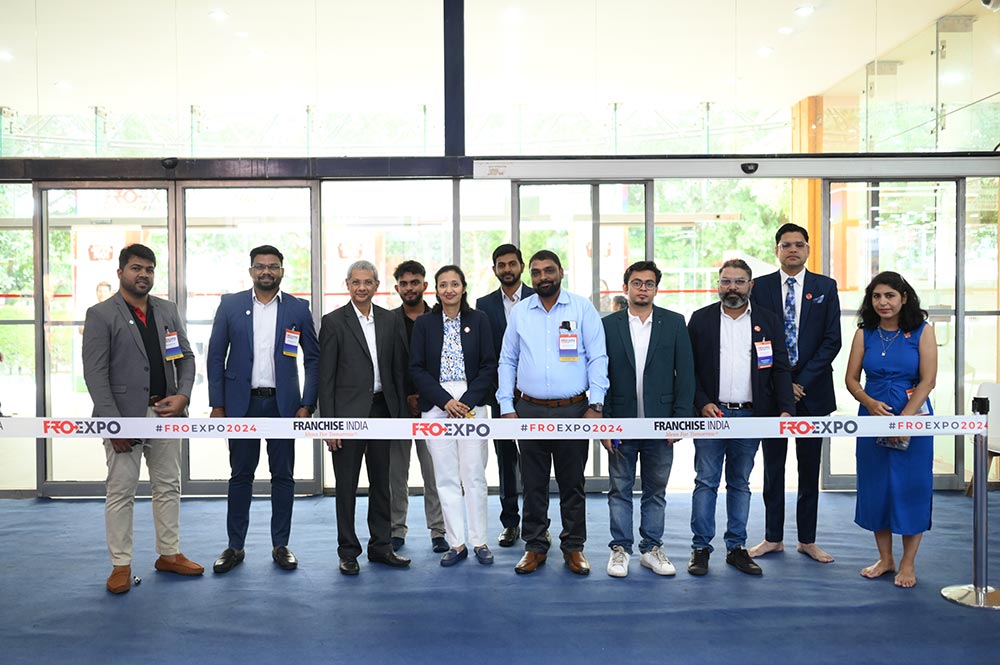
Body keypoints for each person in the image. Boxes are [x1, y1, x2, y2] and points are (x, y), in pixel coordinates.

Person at [82, 244, 203, 594]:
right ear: (120, 272)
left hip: (166, 413)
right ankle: (121, 565)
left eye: (149, 269)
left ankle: (169, 553)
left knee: (168, 485)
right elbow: (95, 374)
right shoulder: (101, 314)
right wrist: (113, 425)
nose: (144, 275)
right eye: (136, 268)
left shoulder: (167, 309)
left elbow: (186, 357)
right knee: (121, 491)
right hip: (123, 417)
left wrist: (183, 396)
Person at [207, 245, 320, 574]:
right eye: (260, 266)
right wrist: (218, 404)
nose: (266, 271)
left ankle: (280, 545)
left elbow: (313, 359)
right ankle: (235, 546)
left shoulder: (298, 308)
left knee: (283, 476)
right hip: (241, 405)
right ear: (251, 271)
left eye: (273, 266)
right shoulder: (230, 305)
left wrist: (307, 404)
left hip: (284, 406)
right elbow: (216, 356)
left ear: (282, 271)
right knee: (240, 476)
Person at [498, 249, 608, 575]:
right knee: (532, 484)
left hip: (573, 409)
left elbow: (598, 358)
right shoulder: (521, 312)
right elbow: (507, 360)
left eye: (549, 270)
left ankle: (574, 548)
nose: (543, 277)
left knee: (572, 483)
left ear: (561, 272)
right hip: (528, 410)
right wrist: (507, 407)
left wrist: (596, 404)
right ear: (530, 276)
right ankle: (534, 546)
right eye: (536, 272)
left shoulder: (582, 308)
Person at [686, 258, 794, 576]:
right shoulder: (701, 319)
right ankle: (700, 548)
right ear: (718, 285)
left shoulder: (768, 320)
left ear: (751, 285)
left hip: (751, 415)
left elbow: (780, 368)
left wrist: (786, 407)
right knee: (705, 481)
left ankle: (736, 547)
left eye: (738, 281)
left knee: (740, 483)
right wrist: (702, 403)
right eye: (726, 281)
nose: (732, 287)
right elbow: (689, 369)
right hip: (711, 415)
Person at [748, 223, 842, 564]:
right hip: (772, 393)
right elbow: (755, 338)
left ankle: (807, 540)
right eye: (786, 245)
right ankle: (772, 538)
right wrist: (783, 383)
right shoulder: (760, 287)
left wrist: (801, 381)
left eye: (799, 244)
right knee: (773, 468)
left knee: (809, 468)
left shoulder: (825, 287)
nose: (792, 250)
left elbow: (832, 340)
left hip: (814, 392)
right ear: (776, 250)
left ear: (808, 250)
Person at [601, 261, 695, 578]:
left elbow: (686, 374)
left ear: (656, 288)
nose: (643, 288)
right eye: (637, 283)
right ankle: (620, 549)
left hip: (662, 424)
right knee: (619, 490)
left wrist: (680, 420)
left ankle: (651, 549)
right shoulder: (608, 325)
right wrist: (604, 423)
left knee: (656, 491)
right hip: (620, 423)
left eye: (649, 283)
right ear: (625, 287)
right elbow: (601, 375)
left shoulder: (674, 322)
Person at [319, 260, 411, 575]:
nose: (361, 287)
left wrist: (400, 416)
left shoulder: (390, 320)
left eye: (367, 282)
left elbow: (398, 371)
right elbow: (326, 378)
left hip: (383, 411)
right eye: (356, 282)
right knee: (346, 486)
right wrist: (329, 425)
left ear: (376, 286)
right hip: (346, 416)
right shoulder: (333, 322)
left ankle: (381, 547)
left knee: (382, 483)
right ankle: (348, 551)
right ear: (347, 285)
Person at [845, 271, 936, 588]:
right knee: (876, 487)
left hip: (913, 415)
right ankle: (886, 559)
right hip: (872, 416)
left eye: (889, 296)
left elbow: (928, 381)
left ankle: (908, 563)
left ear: (904, 298)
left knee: (912, 488)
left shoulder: (923, 331)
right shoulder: (864, 333)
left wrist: (904, 421)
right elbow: (851, 379)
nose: (883, 302)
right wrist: (870, 403)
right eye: (876, 296)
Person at [410, 265, 497, 566]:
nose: (449, 290)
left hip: (472, 403)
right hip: (437, 405)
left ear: (463, 287)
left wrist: (466, 402)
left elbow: (489, 365)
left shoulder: (479, 320)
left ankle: (480, 541)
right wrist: (446, 401)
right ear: (436, 290)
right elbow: (416, 368)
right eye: (443, 285)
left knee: (474, 475)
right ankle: (456, 543)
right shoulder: (424, 324)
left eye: (454, 284)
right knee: (445, 476)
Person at [475, 243, 534, 547]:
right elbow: (484, 352)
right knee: (505, 460)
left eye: (512, 264)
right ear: (495, 269)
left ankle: (538, 523)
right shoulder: (483, 305)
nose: (507, 269)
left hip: (536, 394)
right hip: (501, 395)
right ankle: (510, 523)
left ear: (521, 266)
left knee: (536, 461)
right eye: (502, 265)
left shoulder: (539, 298)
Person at [389, 260, 448, 554]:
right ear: (397, 287)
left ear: (425, 285)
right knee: (396, 475)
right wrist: (405, 399)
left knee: (435, 473)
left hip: (434, 407)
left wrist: (426, 397)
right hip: (398, 410)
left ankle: (439, 531)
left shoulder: (440, 318)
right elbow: (386, 368)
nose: (409, 288)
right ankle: (395, 530)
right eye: (404, 283)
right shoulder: (387, 321)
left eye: (415, 282)